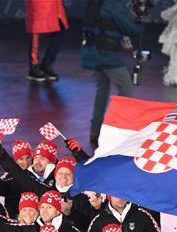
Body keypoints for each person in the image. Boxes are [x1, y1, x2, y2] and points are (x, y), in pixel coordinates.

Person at [80, 0, 143, 146]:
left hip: (91, 52)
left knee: (102, 89)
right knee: (126, 88)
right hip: (106, 55)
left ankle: (95, 131)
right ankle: (123, 129)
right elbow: (130, 28)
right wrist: (140, 24)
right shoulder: (112, 3)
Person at [25, 0, 67, 82]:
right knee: (36, 29)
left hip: (55, 3)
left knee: (60, 29)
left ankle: (46, 64)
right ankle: (33, 67)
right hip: (38, 3)